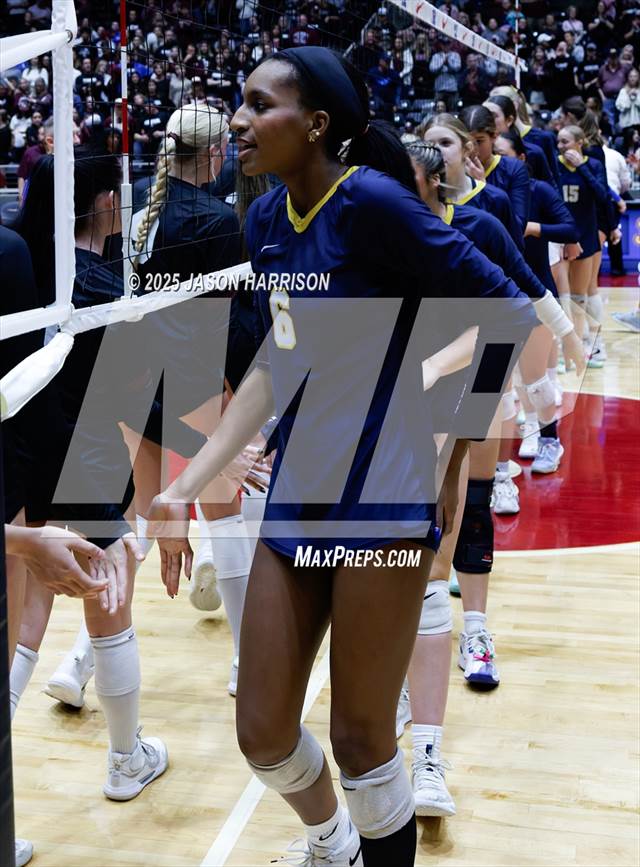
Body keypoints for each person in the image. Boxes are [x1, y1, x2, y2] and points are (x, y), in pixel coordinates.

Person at [147, 46, 538, 867]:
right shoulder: (262, 222)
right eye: (239, 106)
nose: (241, 123)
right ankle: (335, 844)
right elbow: (277, 363)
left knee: (363, 740)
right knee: (261, 732)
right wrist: (185, 482)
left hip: (385, 491)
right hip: (298, 491)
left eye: (259, 106)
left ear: (316, 123)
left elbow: (504, 309)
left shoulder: (370, 203)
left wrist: (453, 453)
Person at [402, 140, 583, 817]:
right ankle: (416, 656)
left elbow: (521, 293)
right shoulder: (384, 233)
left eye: (447, 144)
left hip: (473, 380)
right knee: (415, 536)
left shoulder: (481, 221)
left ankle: (472, 628)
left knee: (466, 509)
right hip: (416, 393)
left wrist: (565, 335)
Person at [129, 103, 253, 695]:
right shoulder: (218, 221)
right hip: (194, 382)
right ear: (214, 153)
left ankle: (76, 663)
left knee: (133, 522)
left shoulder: (136, 210)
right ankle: (244, 660)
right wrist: (238, 400)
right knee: (223, 517)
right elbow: (226, 322)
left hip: (132, 383)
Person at [420, 112, 523, 249]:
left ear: (467, 149)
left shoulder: (495, 198)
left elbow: (515, 257)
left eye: (445, 143)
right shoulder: (419, 199)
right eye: (429, 145)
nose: (437, 150)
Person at [556, 125, 610, 364]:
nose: (561, 147)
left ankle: (595, 345)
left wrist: (582, 167)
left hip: (586, 236)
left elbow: (602, 196)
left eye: (565, 142)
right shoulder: (554, 165)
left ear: (580, 142)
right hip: (559, 236)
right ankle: (561, 349)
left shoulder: (594, 165)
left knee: (584, 294)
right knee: (560, 295)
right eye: (559, 142)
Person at [460, 104, 530, 235]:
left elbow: (518, 227)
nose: (472, 149)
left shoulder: (514, 168)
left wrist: (482, 189)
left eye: (479, 141)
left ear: (494, 136)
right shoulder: (452, 169)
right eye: (465, 142)